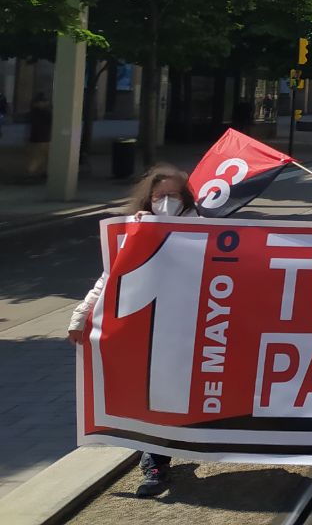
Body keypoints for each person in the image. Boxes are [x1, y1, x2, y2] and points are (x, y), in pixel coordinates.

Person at [68, 165, 201, 498]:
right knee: (152, 397)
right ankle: (155, 463)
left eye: (173, 195)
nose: (166, 202)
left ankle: (190, 447)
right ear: (149, 199)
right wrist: (81, 315)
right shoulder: (135, 231)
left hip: (193, 329)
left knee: (188, 397)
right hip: (150, 330)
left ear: (185, 198)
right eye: (160, 196)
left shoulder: (203, 229)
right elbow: (111, 274)